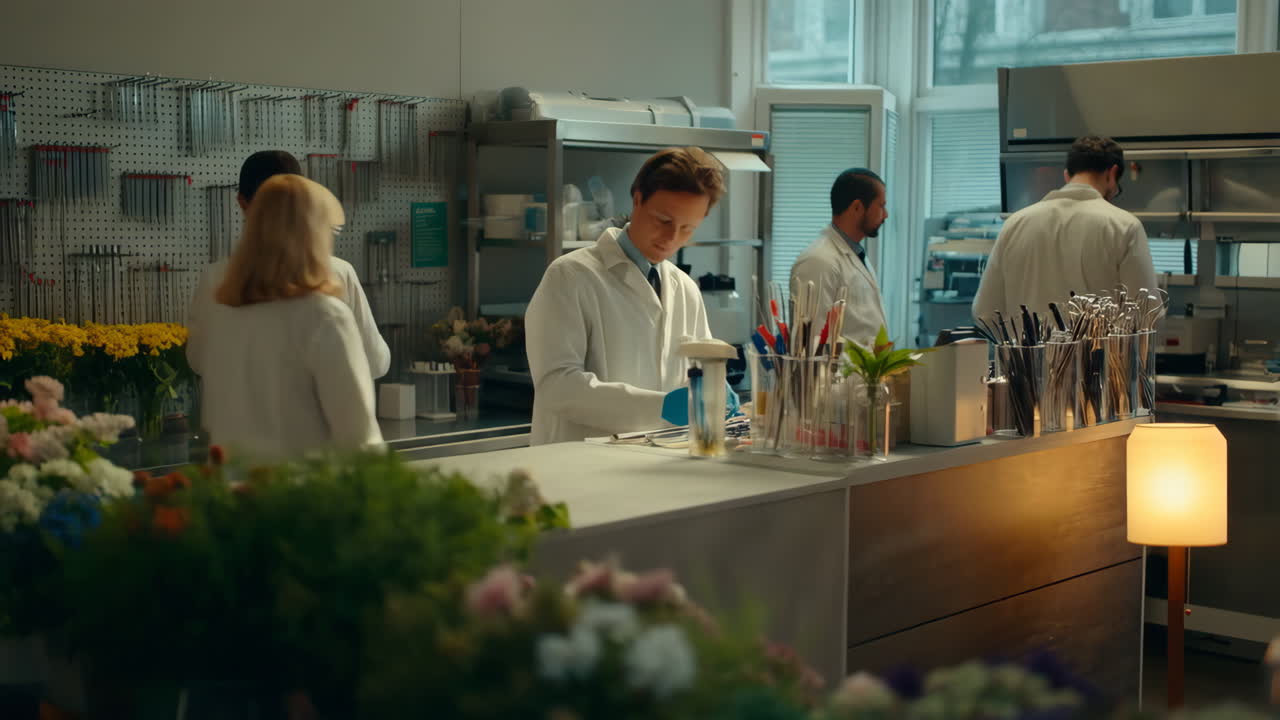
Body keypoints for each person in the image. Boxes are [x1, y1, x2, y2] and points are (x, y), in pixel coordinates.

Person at [525, 147, 736, 445]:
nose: (672, 238)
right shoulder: (570, 276)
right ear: (637, 198)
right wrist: (661, 406)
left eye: (687, 228)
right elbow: (558, 387)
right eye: (664, 220)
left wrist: (713, 387)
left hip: (657, 467)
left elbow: (696, 376)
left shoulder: (685, 289)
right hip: (579, 471)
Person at [186, 174, 383, 461]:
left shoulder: (225, 316)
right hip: (303, 494)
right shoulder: (324, 316)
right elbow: (359, 437)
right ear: (313, 233)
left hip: (235, 492)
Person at [187, 150, 390, 378]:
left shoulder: (215, 277)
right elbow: (375, 362)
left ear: (242, 202)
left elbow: (198, 359)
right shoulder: (339, 273)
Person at [972, 136, 1158, 322]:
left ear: (1067, 176)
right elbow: (1147, 314)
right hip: (1098, 351)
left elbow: (984, 312)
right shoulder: (1124, 227)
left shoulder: (1014, 224)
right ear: (1112, 174)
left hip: (1025, 350)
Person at [789, 168, 890, 350]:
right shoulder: (818, 261)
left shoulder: (855, 253)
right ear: (857, 207)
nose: (886, 215)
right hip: (841, 378)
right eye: (881, 206)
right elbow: (812, 346)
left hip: (865, 376)